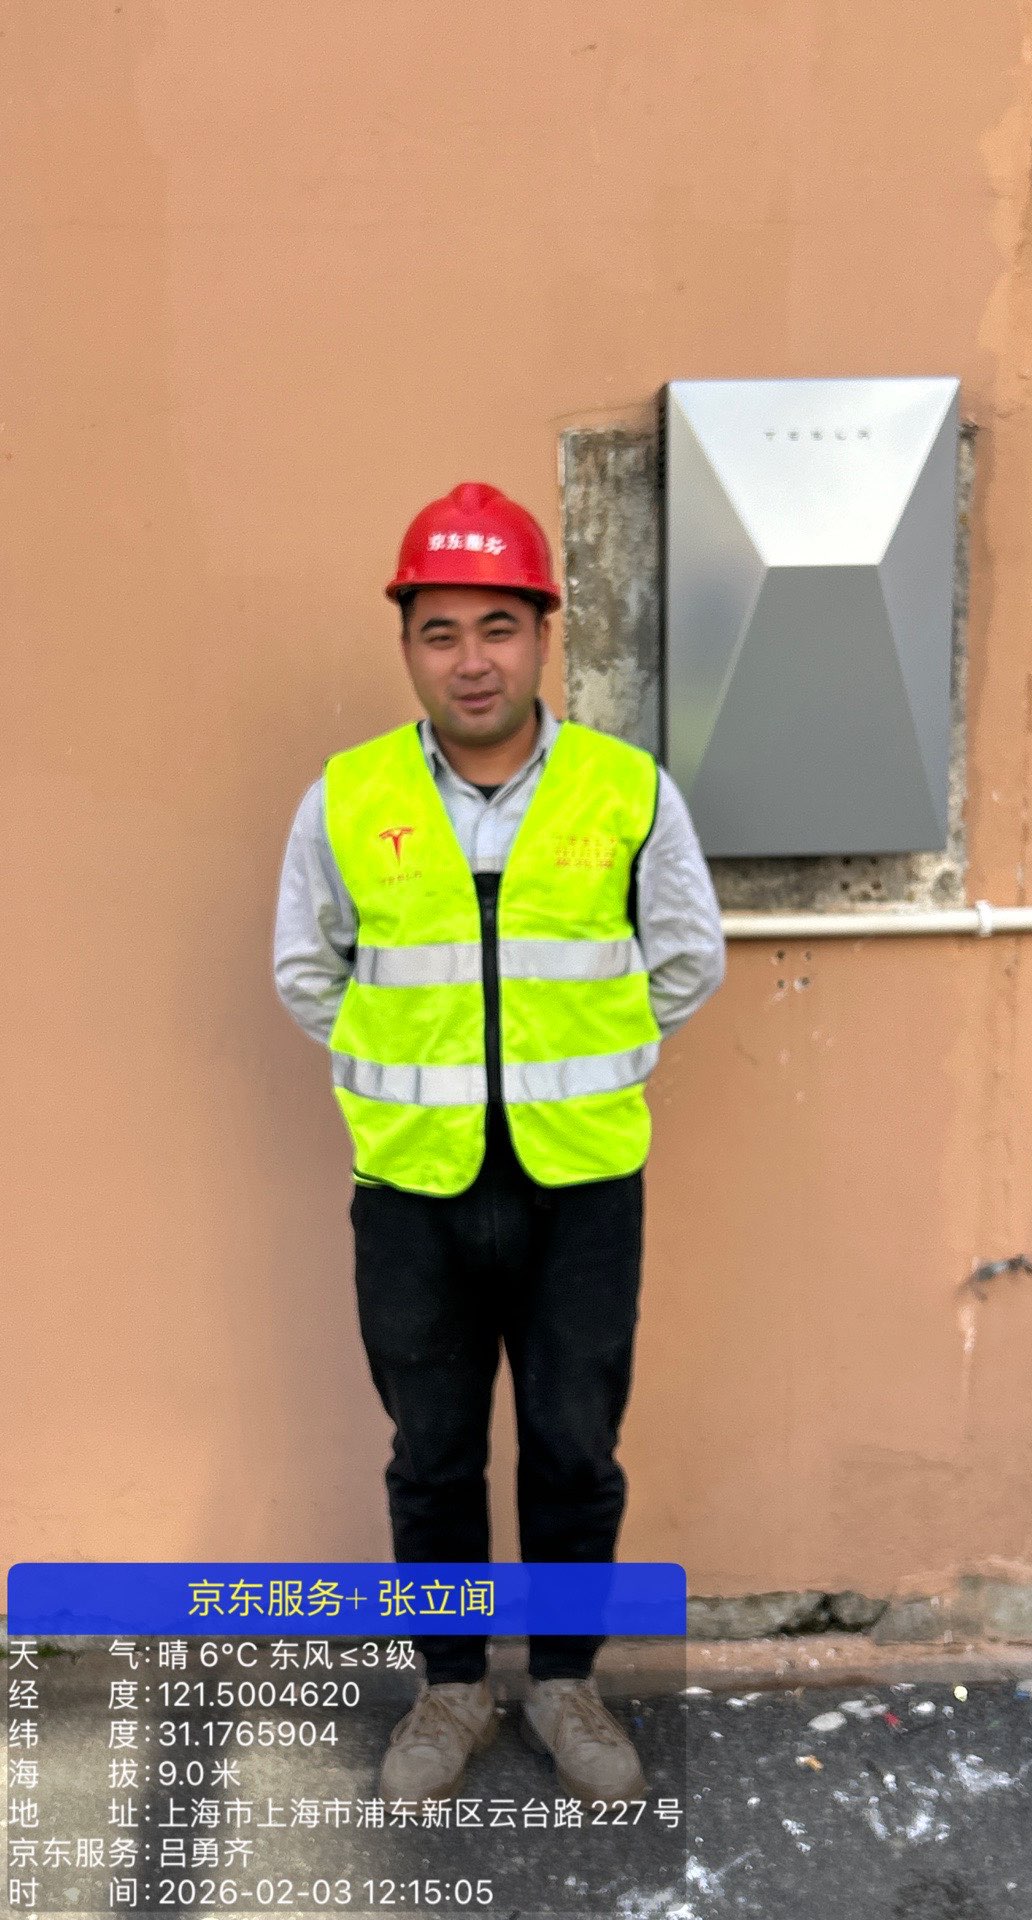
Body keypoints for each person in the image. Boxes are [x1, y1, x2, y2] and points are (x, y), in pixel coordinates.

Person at [273, 481, 725, 1806]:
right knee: (432, 1458)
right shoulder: (348, 797)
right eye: (440, 631)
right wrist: (418, 1075)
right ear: (407, 645)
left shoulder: (623, 790)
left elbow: (686, 960)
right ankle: (454, 1689)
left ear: (542, 636)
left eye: (498, 627)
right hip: (412, 1189)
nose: (471, 659)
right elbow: (308, 971)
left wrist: (568, 1060)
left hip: (582, 1184)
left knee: (576, 1449)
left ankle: (566, 1683)